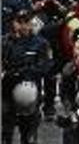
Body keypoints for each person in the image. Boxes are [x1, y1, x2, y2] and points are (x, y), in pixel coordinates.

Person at [2, 8, 52, 144]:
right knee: (5, 132)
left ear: (32, 23)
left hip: (30, 91)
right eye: (20, 22)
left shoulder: (41, 43)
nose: (23, 25)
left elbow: (46, 67)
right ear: (14, 23)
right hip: (7, 91)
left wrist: (22, 73)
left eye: (26, 22)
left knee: (28, 135)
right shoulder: (5, 42)